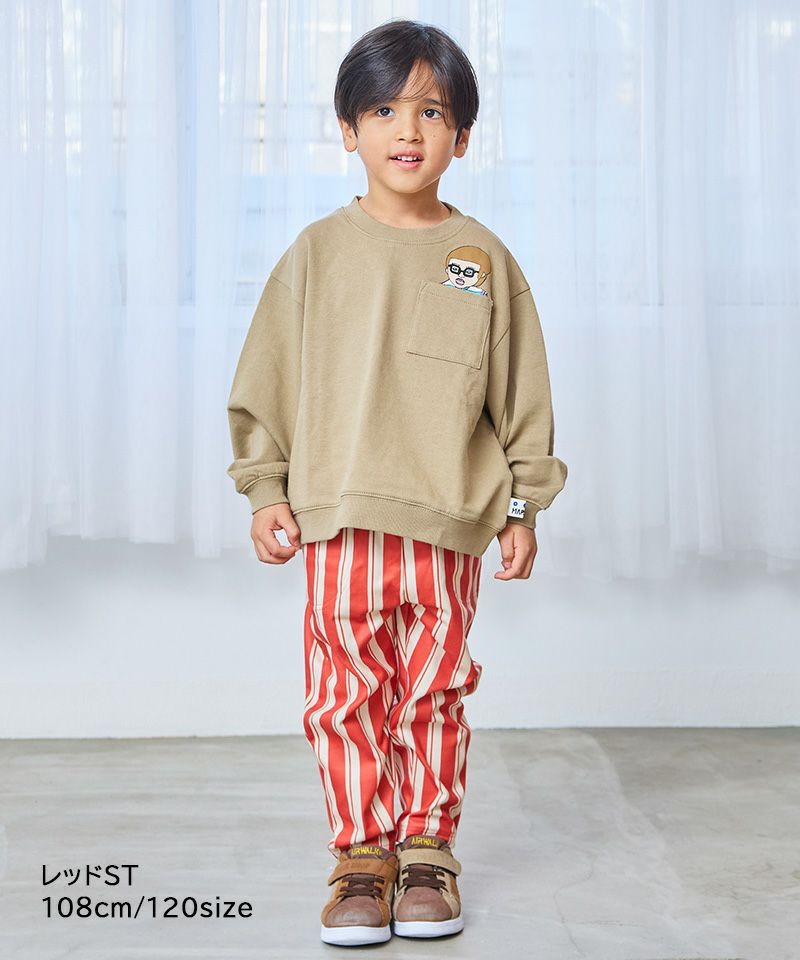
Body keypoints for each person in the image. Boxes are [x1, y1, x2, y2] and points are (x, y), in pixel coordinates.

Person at [226, 18, 568, 948]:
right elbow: (264, 382)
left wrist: (523, 509)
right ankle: (360, 858)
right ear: (348, 130)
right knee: (344, 699)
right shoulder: (314, 253)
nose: (407, 129)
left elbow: (522, 398)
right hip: (338, 522)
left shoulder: (484, 261)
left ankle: (427, 853)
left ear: (463, 136)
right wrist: (265, 490)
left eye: (432, 111)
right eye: (383, 110)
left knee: (434, 694)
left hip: (450, 526)